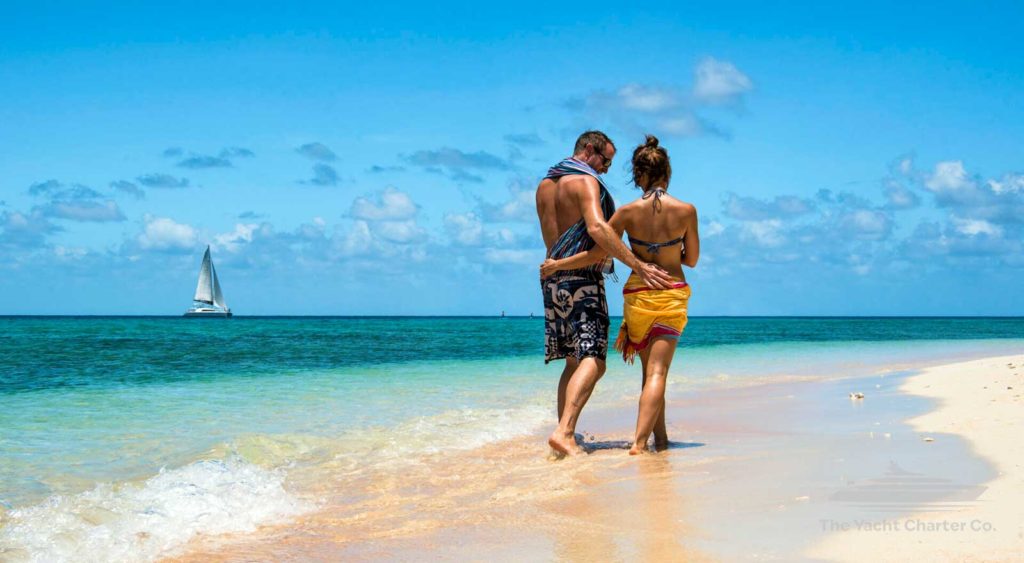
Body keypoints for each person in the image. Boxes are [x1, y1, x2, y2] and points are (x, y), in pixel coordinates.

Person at [541, 135, 699, 455]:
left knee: (632, 370)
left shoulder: (551, 186)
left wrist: (557, 264)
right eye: (606, 162)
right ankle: (635, 443)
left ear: (639, 174)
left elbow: (600, 247)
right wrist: (659, 259)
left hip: (624, 294)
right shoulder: (686, 210)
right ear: (666, 173)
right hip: (665, 292)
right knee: (649, 372)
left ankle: (660, 439)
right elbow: (691, 259)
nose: (607, 169)